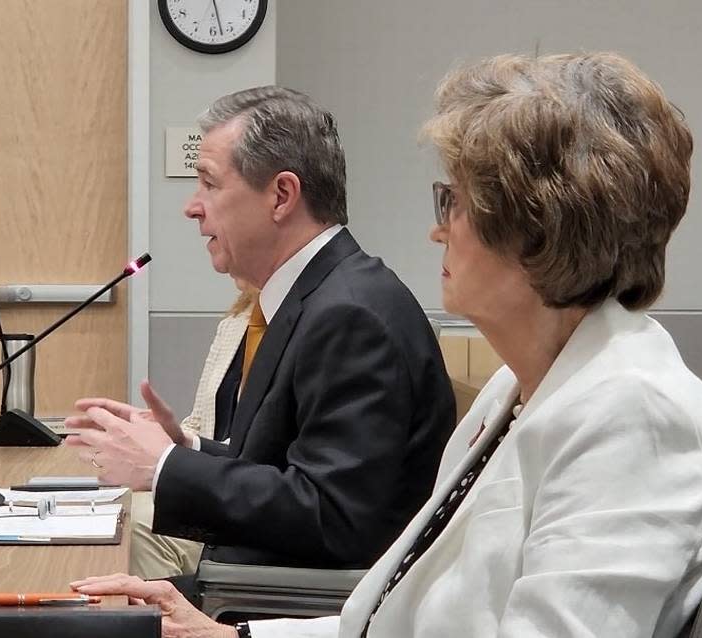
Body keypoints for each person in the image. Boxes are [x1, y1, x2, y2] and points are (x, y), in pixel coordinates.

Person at [69, 52, 702, 638]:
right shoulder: (524, 387)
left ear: (535, 230)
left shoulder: (631, 414)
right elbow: (398, 615)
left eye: (455, 203)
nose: (437, 232)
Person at [67, 87, 458, 591]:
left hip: (290, 602)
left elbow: (333, 515)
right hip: (263, 577)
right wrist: (184, 447)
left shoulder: (350, 315)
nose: (192, 207)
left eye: (208, 184)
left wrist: (163, 467)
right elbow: (281, 467)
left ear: (281, 196)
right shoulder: (311, 295)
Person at [132, 283, 258, 579]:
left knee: (141, 522)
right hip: (216, 484)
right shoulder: (236, 324)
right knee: (124, 507)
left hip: (246, 502)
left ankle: (173, 619)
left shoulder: (305, 324)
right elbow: (201, 422)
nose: (206, 234)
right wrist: (165, 435)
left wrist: (175, 459)